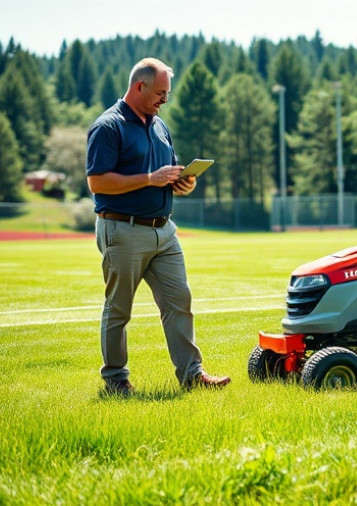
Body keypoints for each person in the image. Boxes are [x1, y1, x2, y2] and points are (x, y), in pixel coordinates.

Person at [86, 57, 230, 395]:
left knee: (179, 301)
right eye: (161, 93)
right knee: (119, 309)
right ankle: (116, 380)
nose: (165, 99)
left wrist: (182, 183)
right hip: (123, 230)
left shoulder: (159, 125)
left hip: (164, 231)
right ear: (140, 87)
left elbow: (168, 171)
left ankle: (192, 375)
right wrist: (149, 179)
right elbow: (97, 182)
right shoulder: (108, 126)